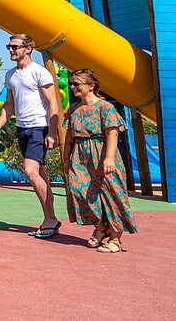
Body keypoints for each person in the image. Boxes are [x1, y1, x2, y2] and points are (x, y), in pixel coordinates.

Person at [0, 33, 62, 238]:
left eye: (15, 47)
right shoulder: (10, 75)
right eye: (9, 47)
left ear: (28, 49)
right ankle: (51, 217)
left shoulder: (40, 73)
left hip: (39, 127)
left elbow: (52, 104)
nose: (11, 50)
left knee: (31, 171)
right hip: (22, 129)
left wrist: (52, 132)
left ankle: (51, 219)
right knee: (41, 175)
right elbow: (9, 105)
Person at [64, 68, 138, 252]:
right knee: (77, 190)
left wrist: (109, 158)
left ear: (91, 85)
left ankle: (115, 238)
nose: (73, 87)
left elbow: (112, 133)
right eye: (71, 84)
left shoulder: (105, 107)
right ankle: (100, 226)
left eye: (77, 84)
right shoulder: (74, 108)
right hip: (80, 155)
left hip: (102, 152)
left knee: (111, 194)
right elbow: (69, 136)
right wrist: (66, 158)